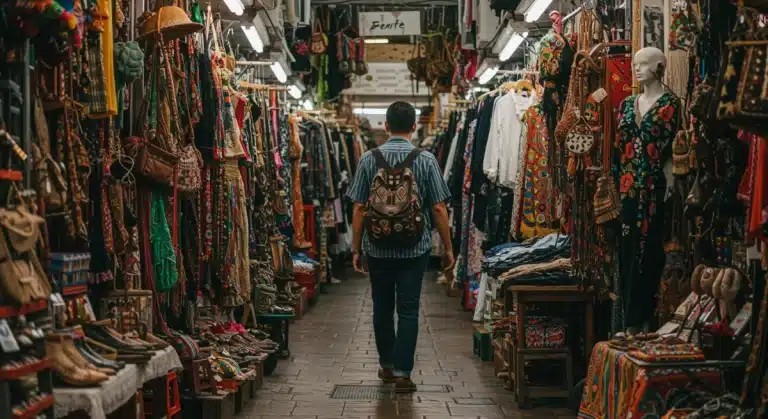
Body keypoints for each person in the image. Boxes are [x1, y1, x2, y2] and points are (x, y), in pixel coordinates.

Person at [346, 101, 455, 393]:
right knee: (408, 309)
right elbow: (439, 208)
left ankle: (386, 366)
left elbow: (359, 208)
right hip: (414, 248)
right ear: (414, 127)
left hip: (377, 247)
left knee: (382, 308)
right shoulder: (426, 159)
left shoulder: (369, 159)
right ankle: (404, 373)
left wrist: (356, 249)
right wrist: (447, 249)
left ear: (386, 126)